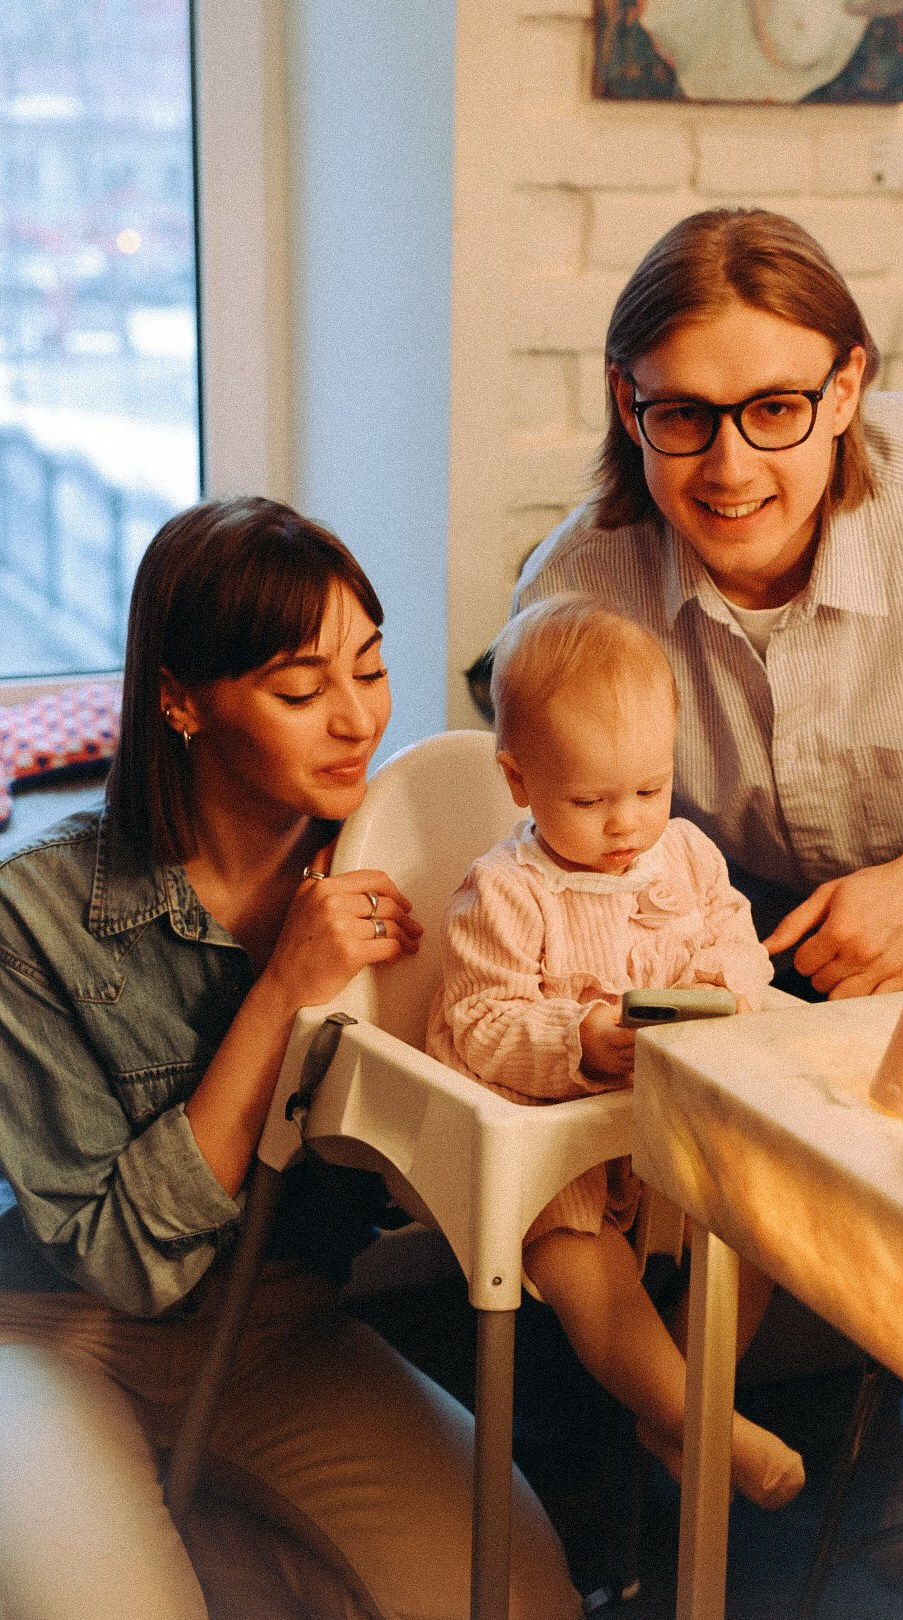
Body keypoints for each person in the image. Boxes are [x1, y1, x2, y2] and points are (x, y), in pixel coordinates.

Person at [0, 498, 582, 1620]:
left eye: (370, 669)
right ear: (180, 699)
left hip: (277, 1328)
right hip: (50, 1333)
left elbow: (423, 1174)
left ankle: (216, 1546)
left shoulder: (411, 866)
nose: (357, 720)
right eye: (301, 691)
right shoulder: (36, 915)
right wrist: (281, 993)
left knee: (519, 1595)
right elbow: (124, 1264)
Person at [514, 207, 903, 1001]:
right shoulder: (570, 595)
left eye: (775, 409)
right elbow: (544, 838)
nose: (730, 471)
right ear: (625, 402)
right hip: (721, 961)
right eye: (683, 415)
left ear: (845, 390)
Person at [427, 597, 805, 1509]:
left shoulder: (686, 856)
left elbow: (737, 950)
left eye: (650, 788)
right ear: (519, 783)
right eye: (590, 801)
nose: (627, 822)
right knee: (575, 1259)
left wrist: (726, 993)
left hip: (669, 1116)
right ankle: (702, 1425)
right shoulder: (508, 891)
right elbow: (479, 1023)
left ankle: (674, 1402)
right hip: (554, 1131)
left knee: (755, 1229)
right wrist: (581, 1042)